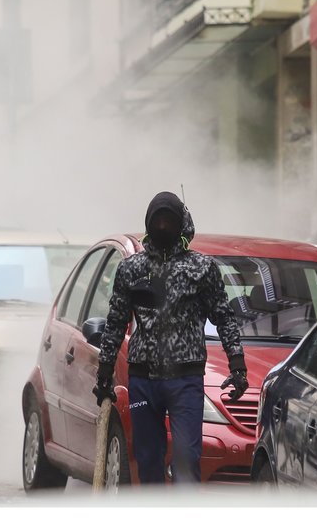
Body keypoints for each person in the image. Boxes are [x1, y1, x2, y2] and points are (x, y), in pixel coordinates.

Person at [93, 191, 248, 484]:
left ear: (182, 225)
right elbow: (115, 323)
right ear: (149, 224)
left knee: (187, 460)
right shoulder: (131, 269)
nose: (163, 226)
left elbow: (223, 316)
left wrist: (237, 365)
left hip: (185, 380)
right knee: (148, 459)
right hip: (143, 380)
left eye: (170, 220)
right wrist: (104, 372)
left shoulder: (202, 268)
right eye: (158, 220)